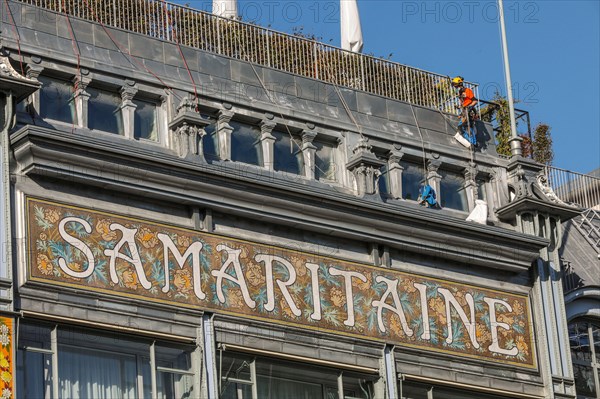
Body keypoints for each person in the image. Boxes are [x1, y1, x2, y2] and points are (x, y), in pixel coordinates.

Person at [451, 76, 478, 148]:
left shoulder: (467, 90)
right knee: (464, 127)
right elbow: (463, 104)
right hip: (464, 111)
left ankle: (472, 142)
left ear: (459, 84)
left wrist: (470, 107)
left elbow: (475, 101)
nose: (455, 87)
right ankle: (472, 142)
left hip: (469, 111)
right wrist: (459, 108)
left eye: (456, 85)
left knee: (463, 126)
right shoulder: (460, 93)